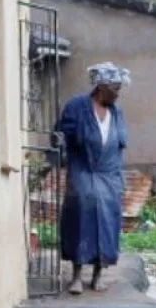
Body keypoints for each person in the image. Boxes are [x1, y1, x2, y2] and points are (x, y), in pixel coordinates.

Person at [54, 62, 130, 295]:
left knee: (107, 223)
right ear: (101, 87)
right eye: (115, 88)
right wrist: (61, 152)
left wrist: (120, 181)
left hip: (109, 175)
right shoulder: (77, 107)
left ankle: (98, 274)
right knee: (80, 218)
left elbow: (118, 147)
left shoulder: (116, 113)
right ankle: (76, 276)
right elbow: (59, 136)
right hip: (83, 171)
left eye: (119, 88)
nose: (118, 93)